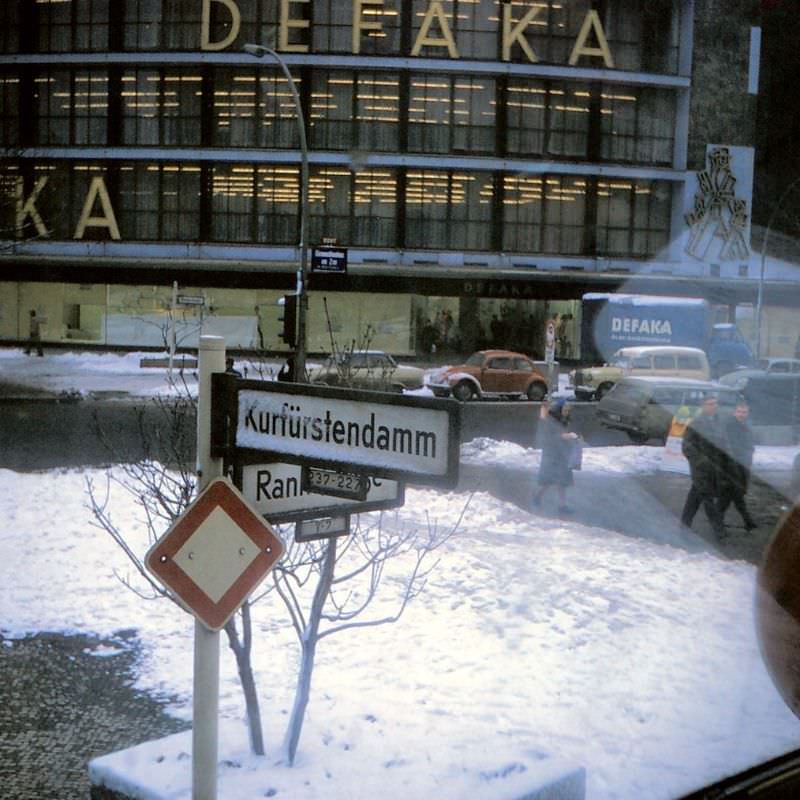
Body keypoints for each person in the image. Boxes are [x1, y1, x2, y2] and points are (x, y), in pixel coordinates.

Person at [680, 394, 727, 537]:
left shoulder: (719, 422)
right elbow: (687, 446)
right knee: (708, 498)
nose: (714, 406)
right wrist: (702, 462)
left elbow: (723, 443)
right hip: (701, 468)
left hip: (716, 467)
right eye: (710, 404)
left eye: (715, 403)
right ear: (703, 406)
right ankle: (718, 529)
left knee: (695, 495)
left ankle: (684, 522)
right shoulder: (696, 423)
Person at [532, 397, 580, 514]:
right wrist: (569, 436)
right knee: (554, 479)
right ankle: (541, 498)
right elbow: (555, 436)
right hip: (553, 454)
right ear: (560, 409)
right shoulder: (552, 421)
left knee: (560, 480)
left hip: (561, 453)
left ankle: (560, 505)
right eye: (565, 409)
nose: (567, 412)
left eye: (568, 410)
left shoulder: (561, 419)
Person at [717, 399, 756, 530]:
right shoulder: (730, 426)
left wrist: (749, 455)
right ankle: (747, 521)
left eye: (744, 412)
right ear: (734, 412)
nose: (741, 414)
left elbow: (749, 444)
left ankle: (719, 519)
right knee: (733, 493)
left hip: (743, 465)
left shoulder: (747, 426)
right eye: (739, 411)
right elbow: (727, 446)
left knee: (733, 494)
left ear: (748, 413)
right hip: (731, 466)